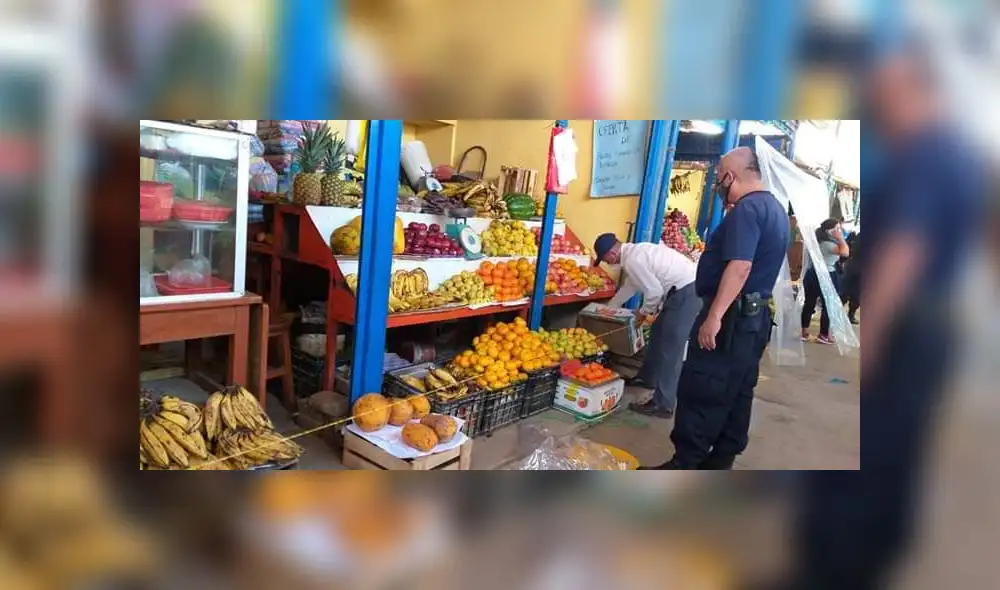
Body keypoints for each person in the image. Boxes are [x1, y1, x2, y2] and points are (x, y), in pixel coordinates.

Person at [644, 145, 789, 470]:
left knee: (704, 387)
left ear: (729, 176)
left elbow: (740, 266)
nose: (717, 184)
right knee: (738, 390)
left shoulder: (747, 211)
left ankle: (685, 465)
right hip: (755, 319)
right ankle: (720, 460)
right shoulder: (774, 208)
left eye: (719, 176)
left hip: (733, 319)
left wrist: (714, 316)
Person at [593, 234, 701, 418]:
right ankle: (647, 378)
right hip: (681, 291)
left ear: (611, 253)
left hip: (687, 292)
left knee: (671, 348)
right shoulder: (635, 253)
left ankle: (663, 404)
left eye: (604, 259)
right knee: (658, 333)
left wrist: (643, 313)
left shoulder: (633, 259)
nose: (606, 263)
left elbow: (654, 292)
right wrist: (610, 308)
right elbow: (631, 285)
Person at [800, 219, 850, 344]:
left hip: (812, 274)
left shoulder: (817, 241)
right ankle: (823, 334)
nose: (840, 231)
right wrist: (841, 238)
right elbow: (845, 252)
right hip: (826, 274)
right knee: (828, 305)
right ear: (830, 230)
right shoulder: (828, 244)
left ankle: (804, 331)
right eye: (837, 229)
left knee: (809, 303)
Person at [840, 232, 861, 324]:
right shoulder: (855, 235)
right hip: (852, 266)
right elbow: (847, 248)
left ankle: (851, 315)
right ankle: (837, 314)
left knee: (857, 295)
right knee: (844, 292)